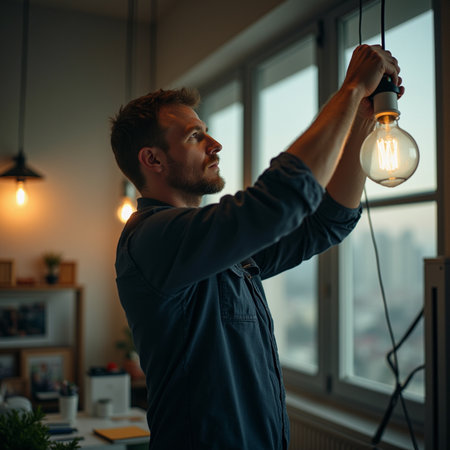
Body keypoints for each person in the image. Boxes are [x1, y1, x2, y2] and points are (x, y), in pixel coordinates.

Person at [110, 44, 402, 450]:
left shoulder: (212, 247)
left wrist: (362, 121)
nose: (216, 144)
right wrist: (351, 89)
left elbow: (324, 223)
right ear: (153, 159)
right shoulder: (152, 238)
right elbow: (276, 204)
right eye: (196, 137)